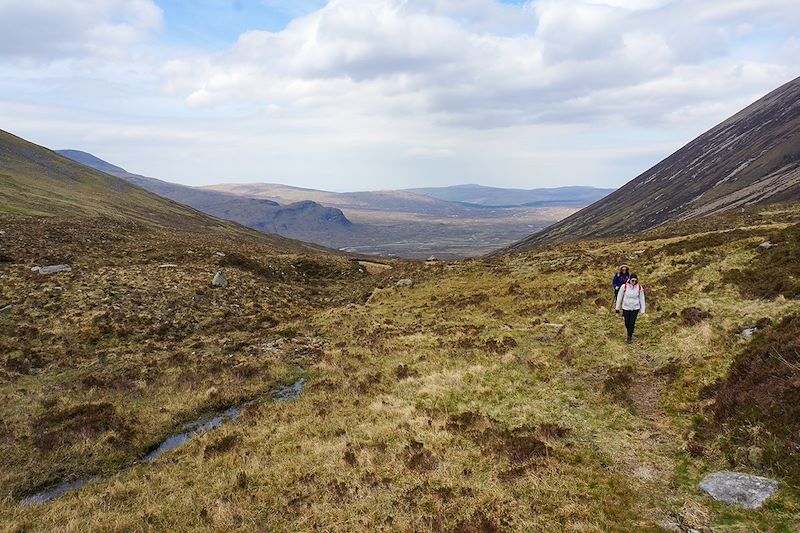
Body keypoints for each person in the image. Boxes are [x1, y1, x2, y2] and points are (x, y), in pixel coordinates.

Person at [615, 273, 645, 344]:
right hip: (626, 307)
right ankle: (629, 332)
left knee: (632, 323)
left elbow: (642, 298)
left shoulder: (639, 288)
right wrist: (617, 309)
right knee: (627, 323)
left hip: (635, 308)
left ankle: (629, 336)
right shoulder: (624, 287)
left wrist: (642, 310)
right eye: (632, 281)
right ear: (629, 280)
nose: (634, 282)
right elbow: (619, 298)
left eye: (635, 281)